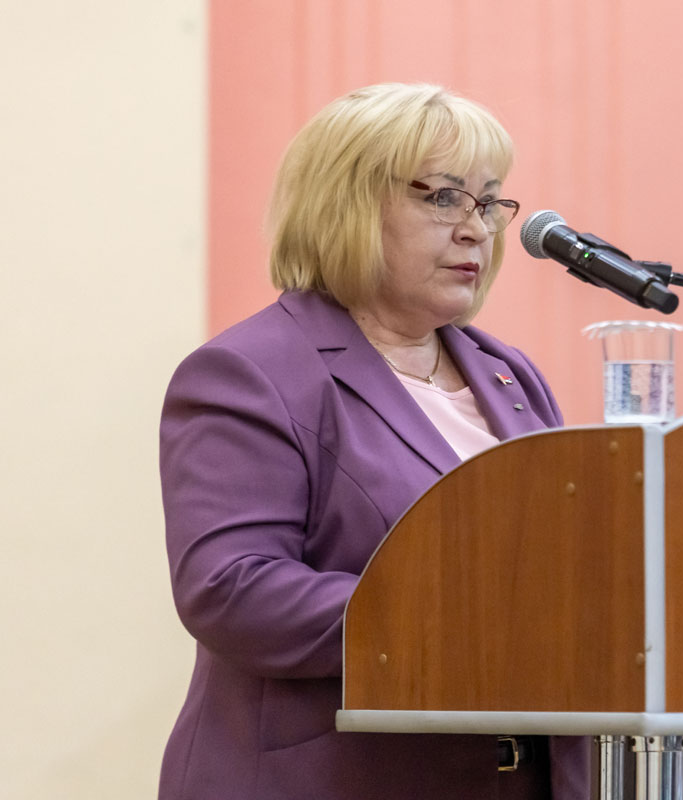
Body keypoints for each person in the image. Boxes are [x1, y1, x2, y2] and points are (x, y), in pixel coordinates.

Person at [158, 83, 587, 800]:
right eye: (444, 197)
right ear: (347, 205)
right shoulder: (254, 372)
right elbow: (231, 590)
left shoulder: (507, 374)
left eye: (489, 203)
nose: (477, 230)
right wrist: (475, 624)